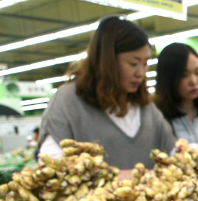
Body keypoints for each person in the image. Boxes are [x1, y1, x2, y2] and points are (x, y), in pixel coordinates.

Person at [38, 16, 176, 174]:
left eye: (145, 63)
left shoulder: (147, 109)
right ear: (107, 61)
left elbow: (174, 153)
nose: (141, 73)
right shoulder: (68, 101)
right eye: (133, 63)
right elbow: (51, 166)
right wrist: (117, 176)